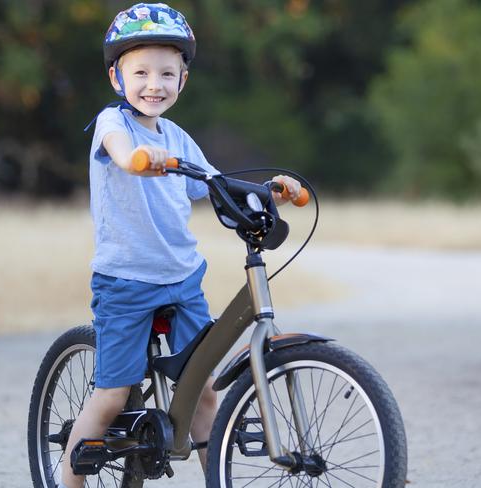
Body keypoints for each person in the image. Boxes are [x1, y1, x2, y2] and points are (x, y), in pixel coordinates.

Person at [61, 4, 303, 487]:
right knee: (112, 394)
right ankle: (68, 479)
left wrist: (269, 190)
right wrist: (137, 159)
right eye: (141, 72)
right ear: (117, 77)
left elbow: (214, 183)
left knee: (205, 390)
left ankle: (217, 476)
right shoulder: (115, 123)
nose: (155, 84)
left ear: (182, 82)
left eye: (167, 74)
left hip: (181, 278)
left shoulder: (176, 137)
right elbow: (119, 152)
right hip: (126, 282)